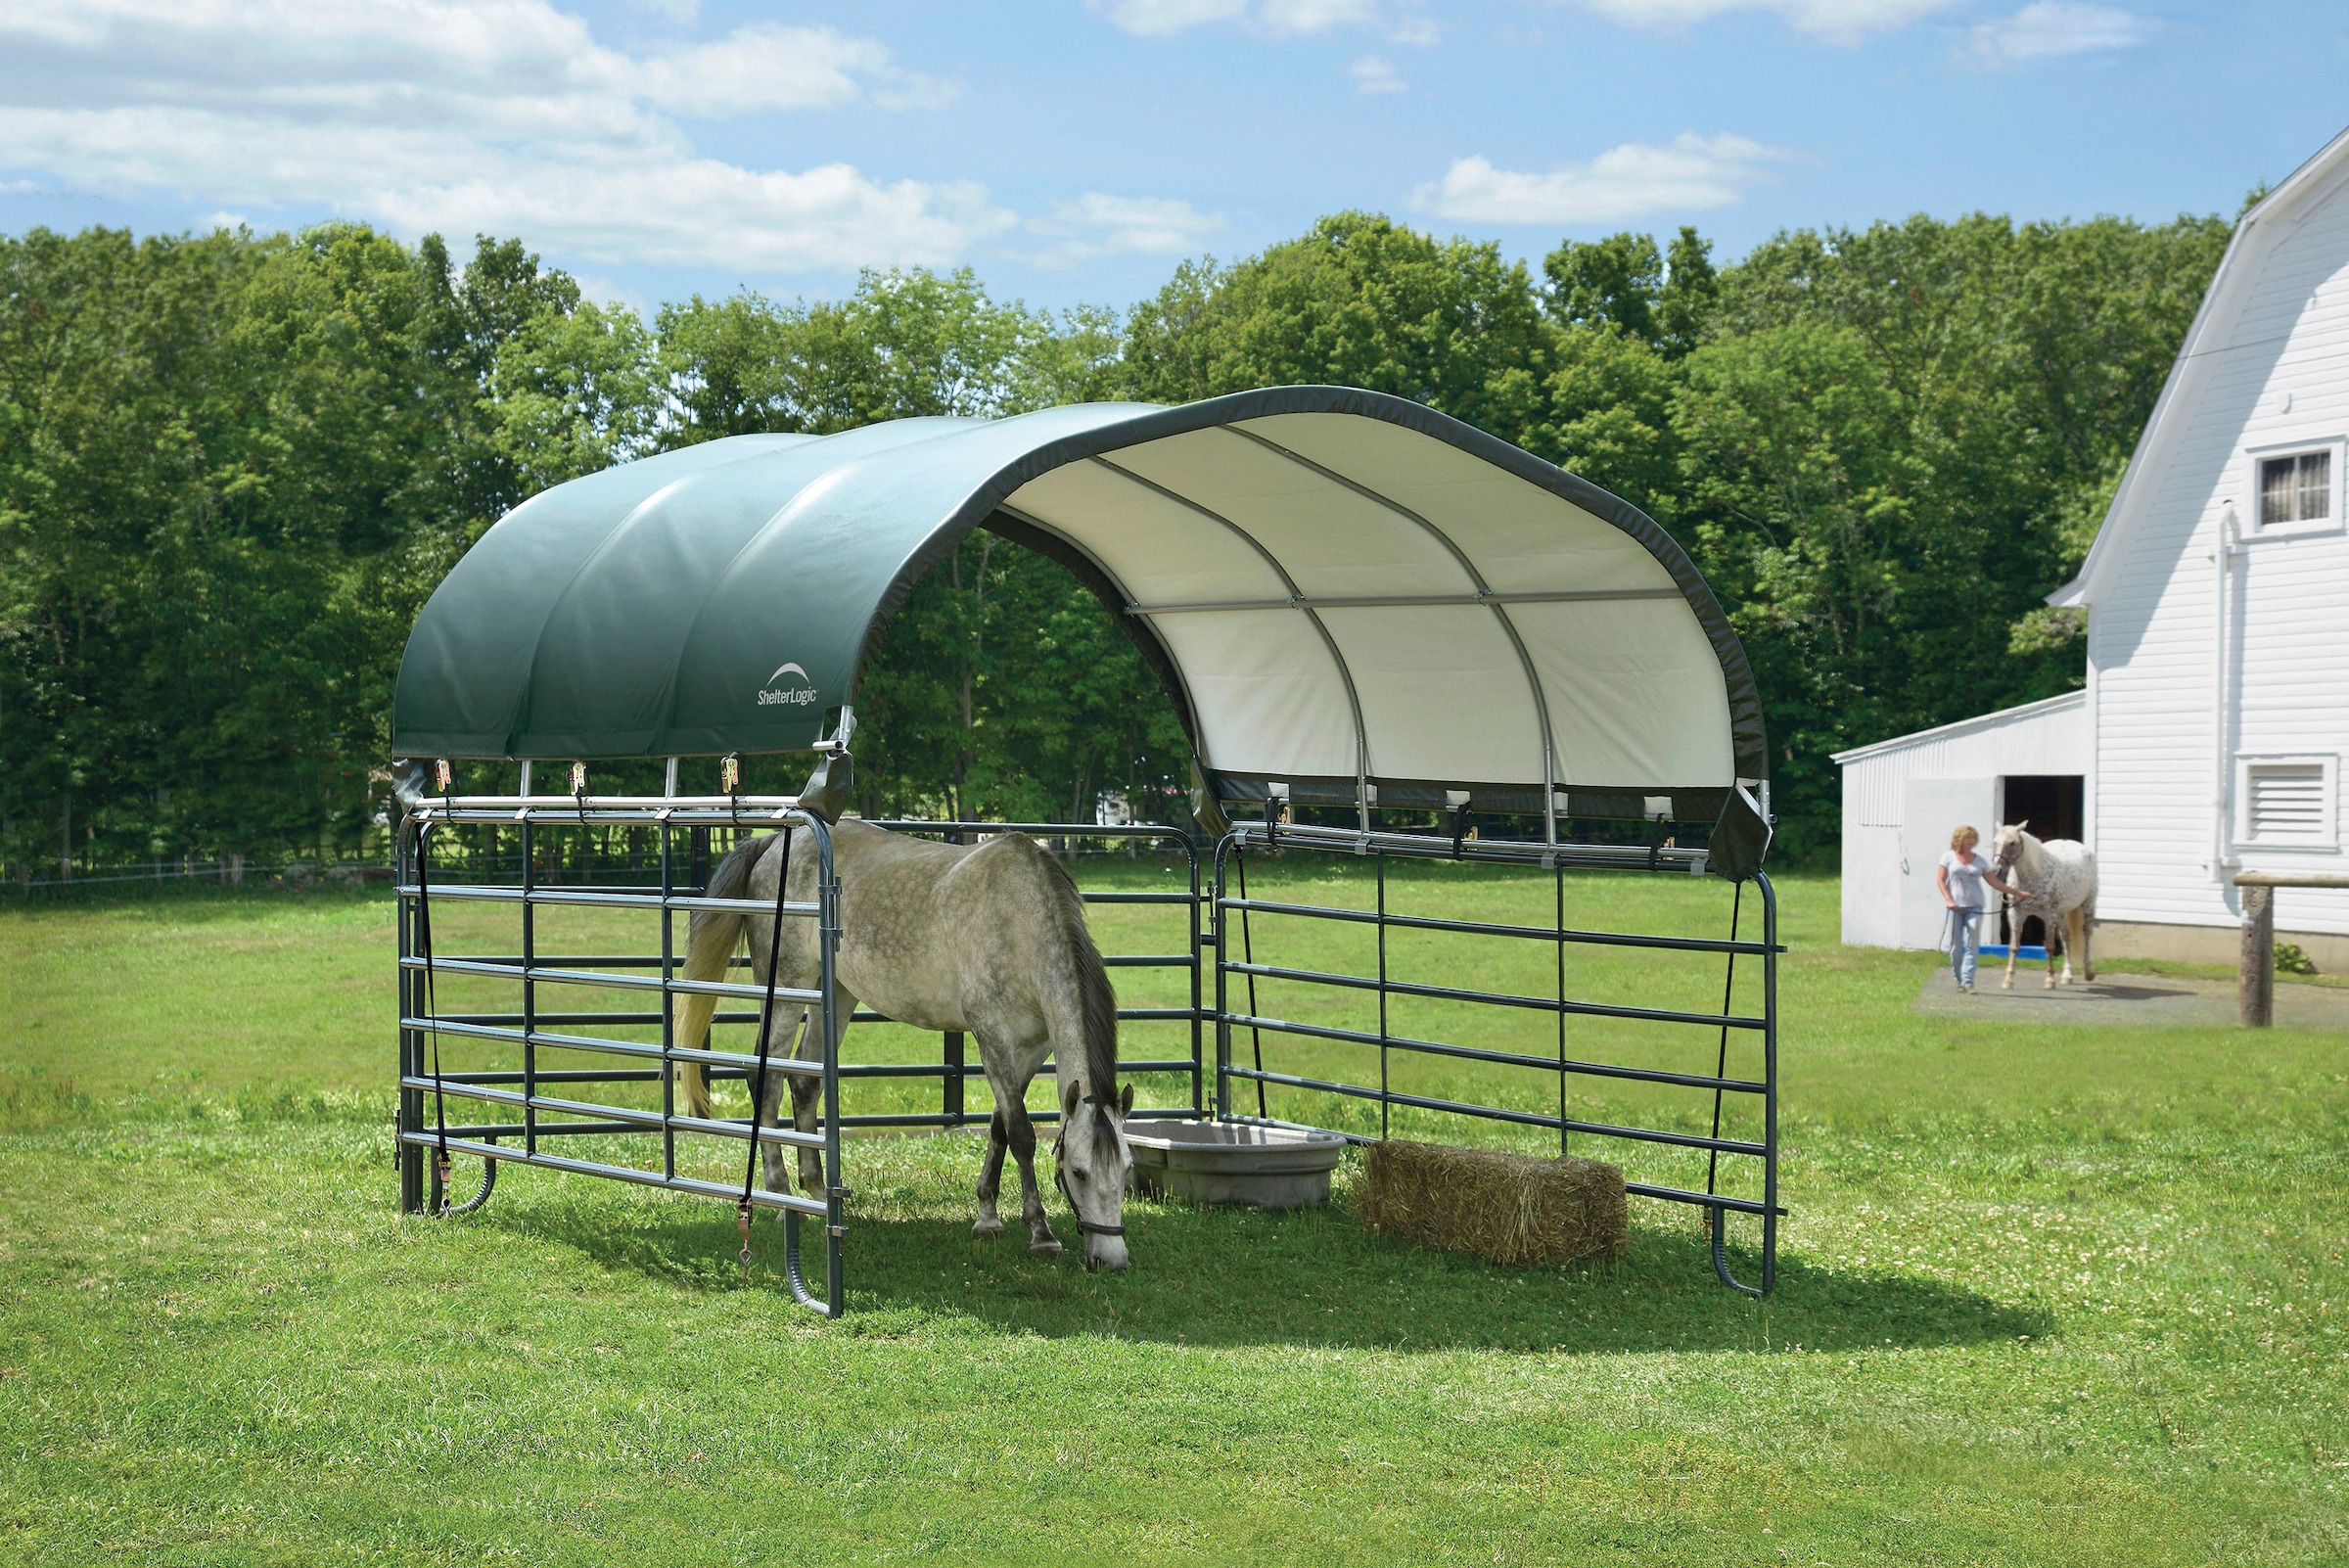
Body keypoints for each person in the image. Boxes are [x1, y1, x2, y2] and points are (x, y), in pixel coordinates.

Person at [1937, 825, 2024, 992]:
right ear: (1960, 839)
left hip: (1975, 907)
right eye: (1968, 838)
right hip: (1954, 908)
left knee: (1972, 945)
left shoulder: (1980, 861)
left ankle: (1968, 981)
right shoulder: (1948, 857)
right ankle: (1959, 979)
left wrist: (2018, 893)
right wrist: (1948, 899)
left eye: (1973, 838)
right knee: (1955, 947)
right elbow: (1940, 880)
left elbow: (1995, 882)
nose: (1971, 841)